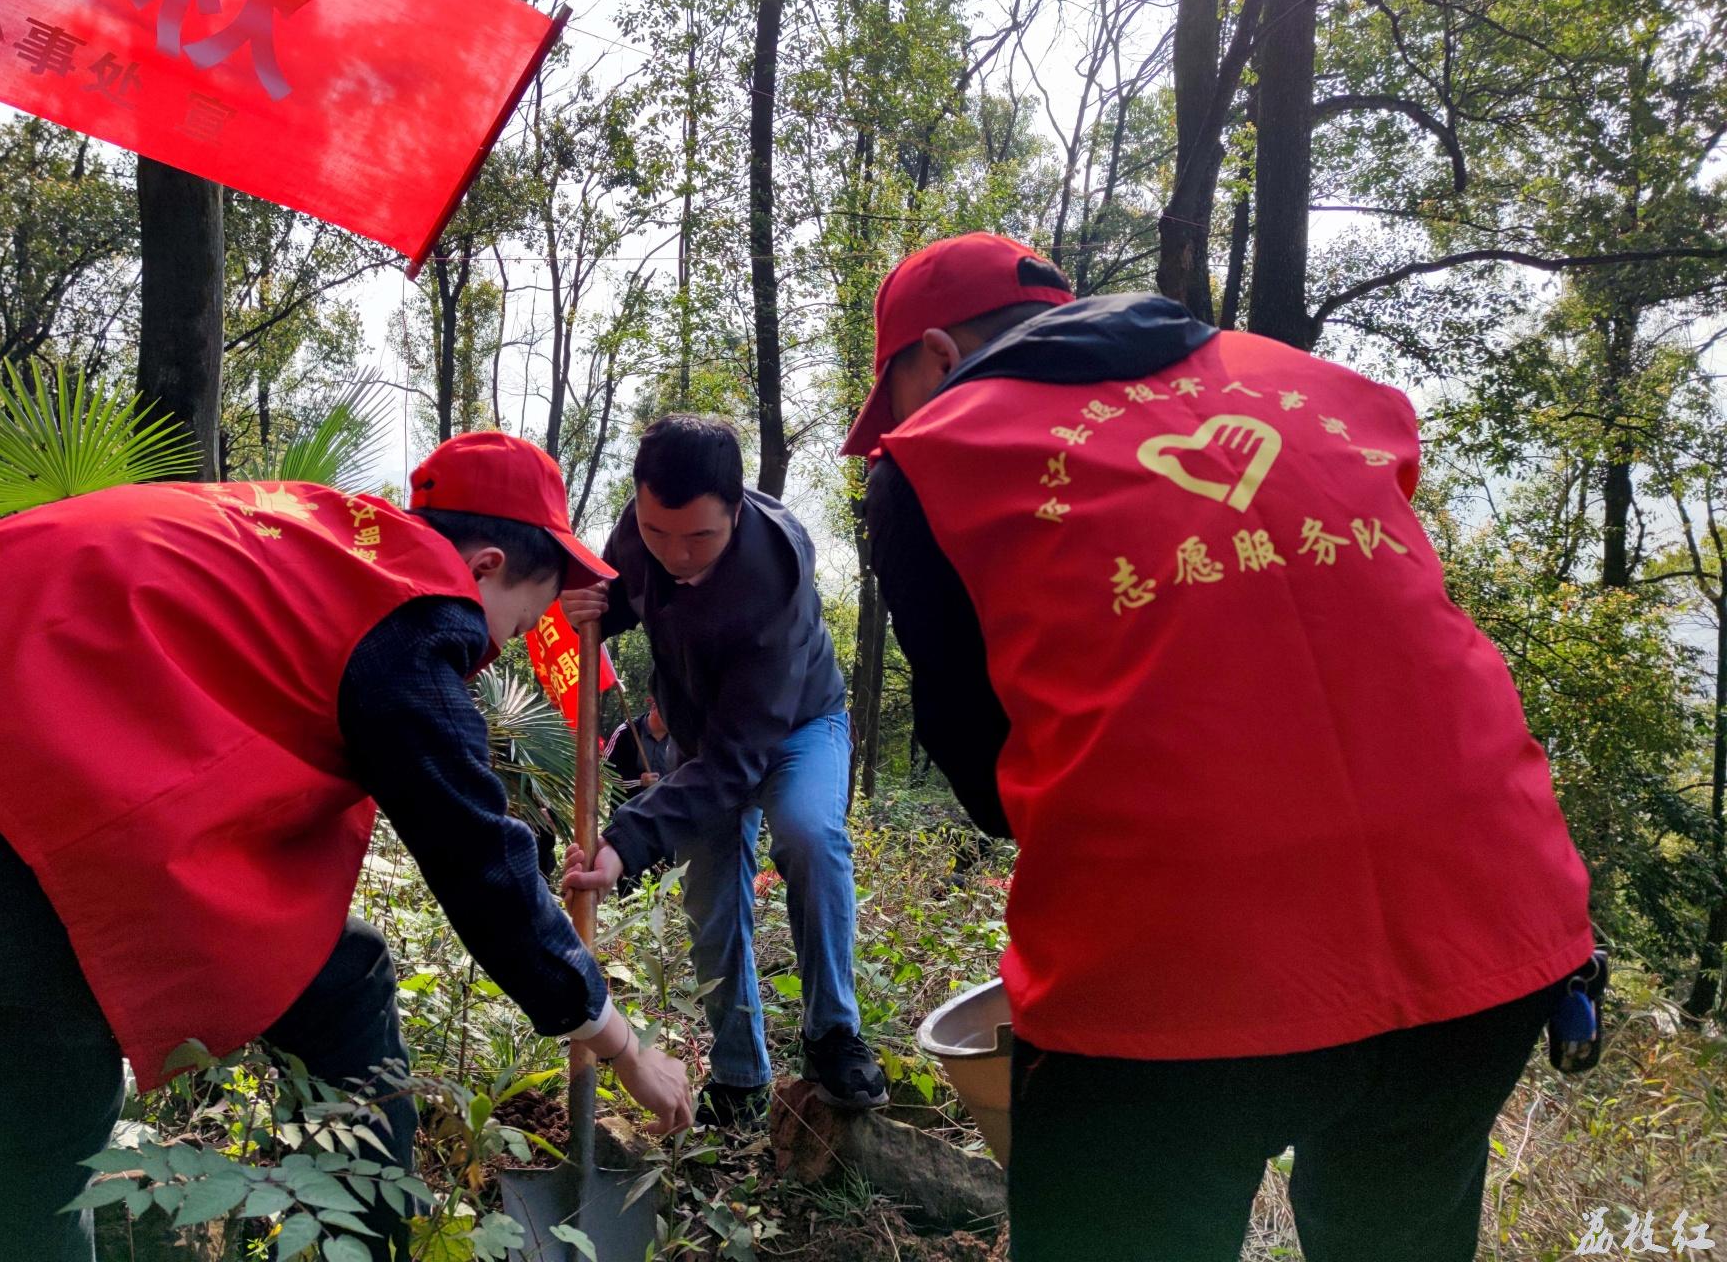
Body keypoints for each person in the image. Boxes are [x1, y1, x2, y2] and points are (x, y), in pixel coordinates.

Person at [843, 233, 1595, 1262]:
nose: (894, 430)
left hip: (1181, 969)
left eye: (893, 399)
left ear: (933, 353)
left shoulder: (934, 458)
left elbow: (977, 757)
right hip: (1497, 923)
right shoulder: (1315, 384)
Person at [0, 431, 693, 1262]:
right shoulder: (410, 615)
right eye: (515, 622)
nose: (491, 656)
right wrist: (625, 1047)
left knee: (49, 1119)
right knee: (343, 984)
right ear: (486, 567)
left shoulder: (301, 534)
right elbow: (480, 864)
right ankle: (364, 1241)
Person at [562, 416, 887, 1126]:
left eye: (699, 537)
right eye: (657, 533)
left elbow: (737, 764)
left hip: (799, 725)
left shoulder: (773, 582)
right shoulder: (642, 531)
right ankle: (738, 1075)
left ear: (736, 512)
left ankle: (834, 1034)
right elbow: (628, 592)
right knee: (711, 899)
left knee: (805, 833)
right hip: (699, 736)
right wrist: (593, 605)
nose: (675, 554)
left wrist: (628, 841)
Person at [605, 691, 667, 795]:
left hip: (667, 809)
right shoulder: (626, 733)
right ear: (654, 708)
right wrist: (639, 780)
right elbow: (606, 771)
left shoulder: (681, 739)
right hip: (630, 808)